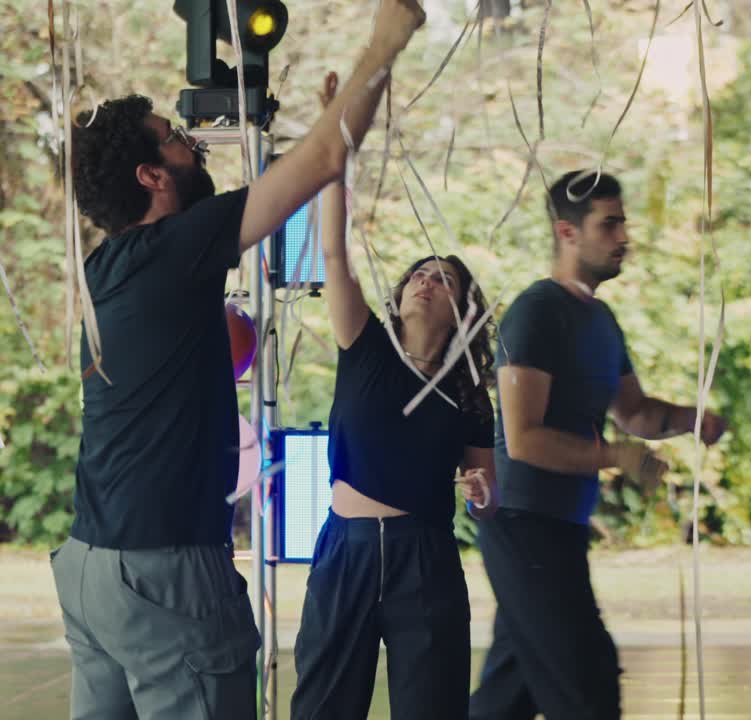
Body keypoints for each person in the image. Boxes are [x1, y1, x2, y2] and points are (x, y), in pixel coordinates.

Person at [47, 3, 428, 719]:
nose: (193, 143)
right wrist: (387, 41)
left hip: (91, 566)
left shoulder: (106, 269)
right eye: (175, 141)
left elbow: (325, 152)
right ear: (151, 176)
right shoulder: (178, 247)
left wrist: (344, 112)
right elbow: (321, 159)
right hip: (166, 570)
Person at [467, 170, 728, 720]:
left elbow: (635, 412)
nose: (623, 237)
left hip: (561, 527)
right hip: (522, 523)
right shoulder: (536, 312)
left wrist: (694, 419)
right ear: (567, 232)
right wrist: (616, 457)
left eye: (622, 223)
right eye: (608, 225)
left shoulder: (600, 319)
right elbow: (524, 439)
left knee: (510, 693)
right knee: (586, 679)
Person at [288, 71, 499, 720]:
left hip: (425, 556)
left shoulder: (468, 392)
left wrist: (480, 491)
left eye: (444, 279)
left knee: (432, 707)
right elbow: (334, 250)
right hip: (346, 548)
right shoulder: (366, 344)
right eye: (419, 274)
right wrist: (336, 142)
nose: (426, 283)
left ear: (464, 310)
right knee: (324, 705)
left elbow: (483, 492)